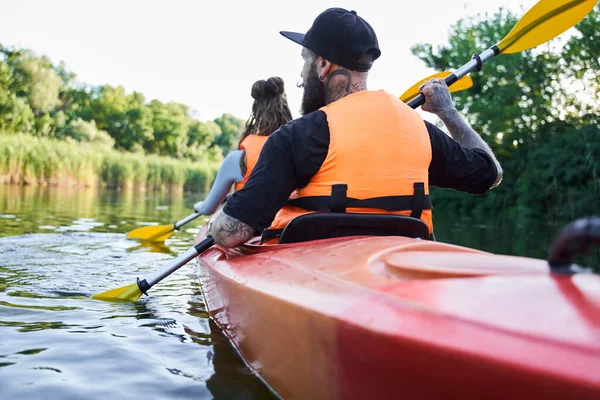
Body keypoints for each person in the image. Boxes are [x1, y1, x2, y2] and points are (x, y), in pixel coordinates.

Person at [208, 7, 503, 248]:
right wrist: (447, 112)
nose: (300, 74)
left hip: (313, 278)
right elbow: (491, 174)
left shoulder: (297, 136)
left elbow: (231, 233)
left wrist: (224, 212)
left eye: (305, 61)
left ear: (322, 64)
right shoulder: (419, 130)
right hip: (401, 269)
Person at [193, 77, 292, 215]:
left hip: (249, 228)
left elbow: (208, 209)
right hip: (288, 226)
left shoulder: (238, 159)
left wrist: (199, 206)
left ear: (255, 114)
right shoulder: (297, 148)